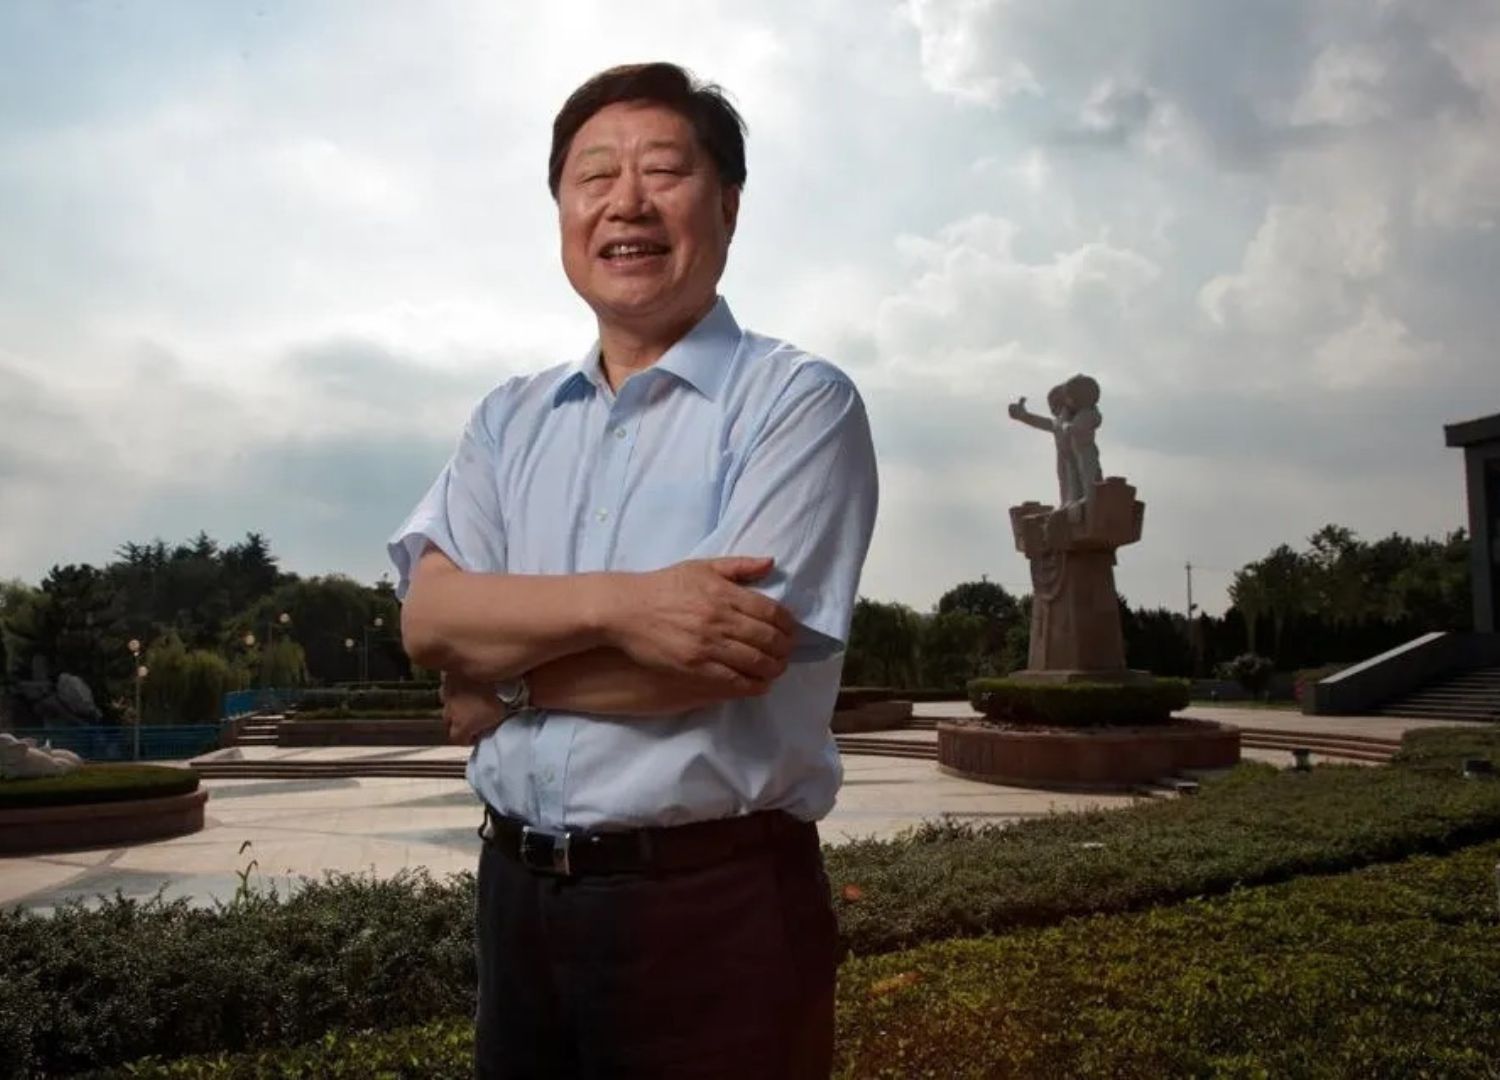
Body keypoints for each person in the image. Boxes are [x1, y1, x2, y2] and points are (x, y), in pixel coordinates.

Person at [387, 62, 879, 1079]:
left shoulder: (799, 405)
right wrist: (632, 603)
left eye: (664, 170)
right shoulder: (506, 420)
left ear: (728, 206)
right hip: (517, 898)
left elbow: (723, 660)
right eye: (592, 176)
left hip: (719, 911)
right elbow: (432, 622)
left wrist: (511, 680)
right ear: (562, 209)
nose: (626, 201)